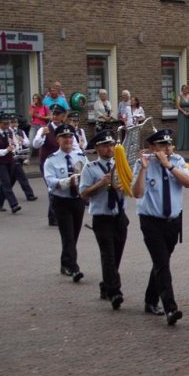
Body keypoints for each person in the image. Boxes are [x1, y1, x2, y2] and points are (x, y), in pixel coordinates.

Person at [132, 129, 189, 325]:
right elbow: (137, 193)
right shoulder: (142, 164)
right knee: (161, 263)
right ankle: (170, 308)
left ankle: (150, 300)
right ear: (153, 147)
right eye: (162, 145)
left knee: (162, 262)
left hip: (173, 222)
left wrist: (169, 166)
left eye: (169, 145)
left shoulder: (177, 161)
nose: (167, 149)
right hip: (151, 221)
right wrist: (143, 169)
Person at [79, 130, 128, 311]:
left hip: (119, 216)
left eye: (112, 145)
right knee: (108, 255)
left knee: (117, 255)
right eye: (106, 146)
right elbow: (83, 194)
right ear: (98, 148)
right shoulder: (90, 168)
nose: (110, 149)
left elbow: (129, 184)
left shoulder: (121, 164)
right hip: (102, 217)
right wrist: (101, 183)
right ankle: (115, 292)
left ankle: (106, 285)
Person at [43, 124, 89, 282]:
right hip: (61, 200)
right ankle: (73, 267)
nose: (68, 140)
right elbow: (50, 181)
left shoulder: (81, 156)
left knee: (74, 234)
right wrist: (67, 181)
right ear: (58, 139)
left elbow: (88, 173)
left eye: (70, 137)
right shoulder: (51, 160)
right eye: (64, 137)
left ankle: (65, 263)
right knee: (68, 235)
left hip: (77, 200)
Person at [33, 104, 68, 226]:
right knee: (52, 188)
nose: (55, 116)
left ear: (63, 117)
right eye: (54, 114)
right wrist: (42, 134)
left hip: (61, 163)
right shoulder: (44, 128)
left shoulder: (65, 129)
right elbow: (35, 145)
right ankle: (54, 216)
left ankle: (53, 216)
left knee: (59, 188)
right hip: (47, 164)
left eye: (58, 115)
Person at [0, 113, 25, 214]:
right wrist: (5, 150)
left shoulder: (10, 132)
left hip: (10, 161)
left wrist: (17, 145)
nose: (7, 125)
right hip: (0, 162)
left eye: (7, 123)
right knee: (6, 183)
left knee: (6, 183)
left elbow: (15, 143)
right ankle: (14, 204)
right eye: (4, 123)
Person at [175, 85, 189, 152]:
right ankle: (181, 145)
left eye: (186, 89)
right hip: (182, 115)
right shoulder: (179, 96)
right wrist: (184, 112)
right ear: (182, 90)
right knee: (182, 129)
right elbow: (178, 106)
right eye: (184, 89)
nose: (185, 90)